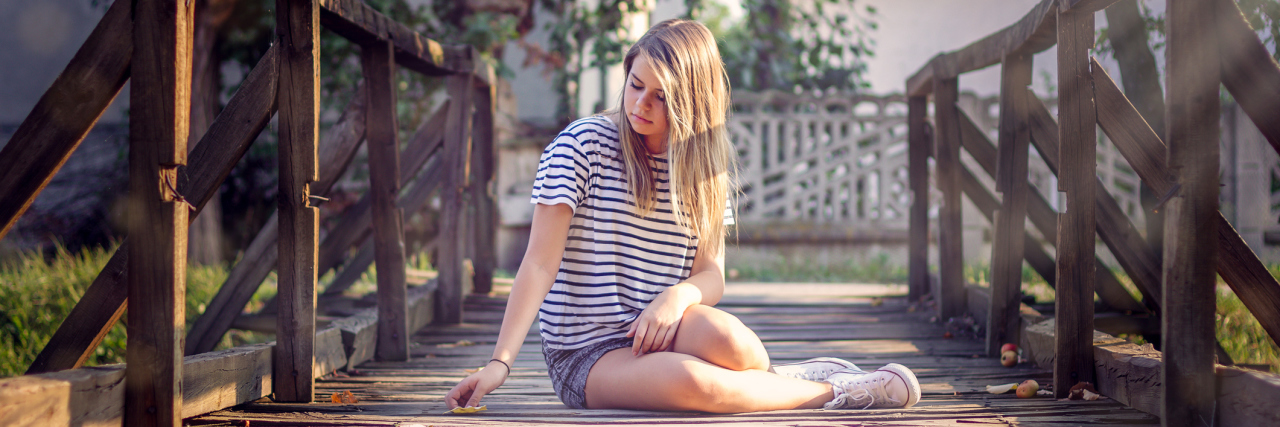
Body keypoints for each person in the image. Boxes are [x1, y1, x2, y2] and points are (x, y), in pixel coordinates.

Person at [444, 19, 921, 413]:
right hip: (585, 355)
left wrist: (676, 297)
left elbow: (711, 276)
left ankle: (777, 379)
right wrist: (500, 362)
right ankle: (843, 393)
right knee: (699, 385)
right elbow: (538, 264)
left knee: (734, 343)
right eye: (635, 85)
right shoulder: (580, 146)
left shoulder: (705, 169)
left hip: (662, 328)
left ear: (691, 103)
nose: (639, 105)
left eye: (660, 97)